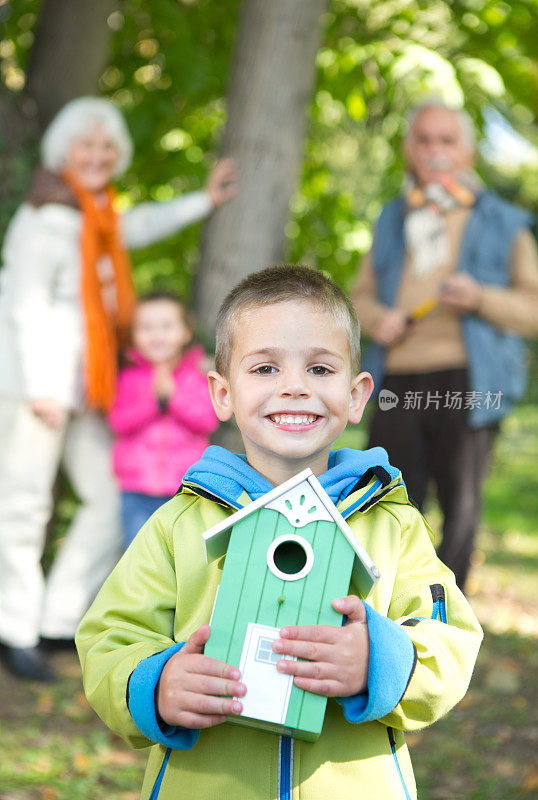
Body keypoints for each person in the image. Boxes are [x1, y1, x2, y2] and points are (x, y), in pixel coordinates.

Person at [76, 265, 482, 800]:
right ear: (222, 394)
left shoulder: (391, 523)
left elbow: (450, 639)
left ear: (357, 394)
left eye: (319, 369)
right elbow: (109, 637)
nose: (294, 387)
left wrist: (378, 659)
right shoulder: (179, 524)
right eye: (265, 368)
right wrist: (155, 686)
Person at [0, 96, 236, 682]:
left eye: (108, 147)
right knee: (24, 507)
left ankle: (58, 620)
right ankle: (13, 629)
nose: (99, 156)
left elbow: (142, 223)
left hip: (87, 389)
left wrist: (203, 200)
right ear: (64, 151)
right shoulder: (43, 217)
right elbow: (24, 309)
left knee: (108, 501)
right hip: (37, 387)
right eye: (88, 145)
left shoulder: (95, 217)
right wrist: (44, 389)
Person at [353, 100, 538, 590]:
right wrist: (378, 319)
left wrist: (481, 298)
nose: (435, 150)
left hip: (471, 380)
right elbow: (359, 298)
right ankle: (384, 610)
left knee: (460, 511)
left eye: (447, 140)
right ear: (408, 149)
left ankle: (445, 621)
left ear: (468, 151)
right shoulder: (392, 218)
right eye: (425, 140)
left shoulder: (504, 220)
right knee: (386, 502)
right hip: (397, 378)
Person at [108, 291, 219, 549]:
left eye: (167, 327)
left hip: (183, 488)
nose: (156, 336)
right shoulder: (130, 377)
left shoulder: (197, 376)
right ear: (134, 335)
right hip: (136, 488)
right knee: (137, 553)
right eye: (146, 328)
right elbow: (118, 422)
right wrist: (153, 401)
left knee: (179, 551)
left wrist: (173, 398)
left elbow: (207, 421)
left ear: (185, 332)